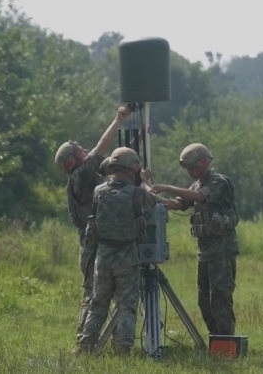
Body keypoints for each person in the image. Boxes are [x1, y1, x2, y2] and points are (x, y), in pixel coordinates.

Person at [53, 106, 129, 342]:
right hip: (93, 243)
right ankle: (82, 341)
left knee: (103, 293)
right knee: (94, 296)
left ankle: (94, 342)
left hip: (93, 242)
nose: (85, 150)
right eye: (79, 150)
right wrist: (118, 120)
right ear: (72, 160)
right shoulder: (82, 174)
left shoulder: (82, 176)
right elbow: (101, 149)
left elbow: (115, 164)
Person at [74, 147, 157, 355]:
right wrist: (146, 180)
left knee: (98, 303)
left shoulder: (98, 192)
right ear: (133, 169)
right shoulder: (136, 193)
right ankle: (122, 349)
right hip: (127, 256)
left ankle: (85, 346)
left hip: (102, 257)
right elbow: (152, 199)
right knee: (126, 306)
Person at [152, 143, 240, 336]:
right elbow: (178, 204)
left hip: (222, 249)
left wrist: (169, 187)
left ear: (203, 163)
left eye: (193, 167)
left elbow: (199, 197)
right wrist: (154, 198)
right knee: (204, 300)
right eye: (188, 169)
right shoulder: (197, 184)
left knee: (220, 298)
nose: (190, 172)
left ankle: (226, 341)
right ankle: (216, 338)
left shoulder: (218, 182)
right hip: (205, 251)